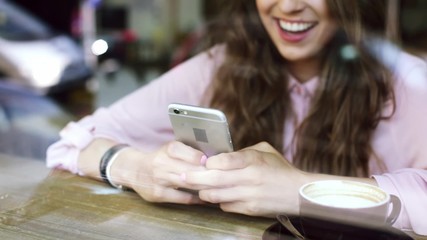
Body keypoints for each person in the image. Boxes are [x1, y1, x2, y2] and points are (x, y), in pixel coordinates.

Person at [46, 0, 427, 235]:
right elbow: (71, 143)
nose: (288, 5)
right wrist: (137, 169)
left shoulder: (408, 81)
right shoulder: (223, 64)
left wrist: (300, 191)